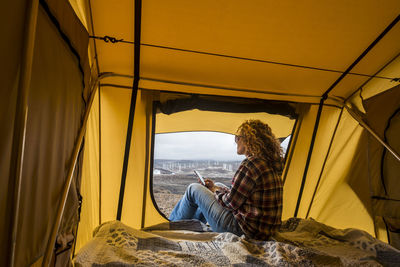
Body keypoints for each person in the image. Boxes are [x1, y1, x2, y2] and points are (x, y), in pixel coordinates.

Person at [169, 120, 284, 240]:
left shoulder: (251, 164)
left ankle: (172, 225)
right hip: (264, 230)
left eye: (238, 138)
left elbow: (231, 203)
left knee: (194, 188)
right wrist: (215, 188)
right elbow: (241, 197)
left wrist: (215, 191)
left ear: (249, 139)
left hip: (242, 230)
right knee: (217, 185)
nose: (236, 141)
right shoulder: (271, 163)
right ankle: (192, 224)